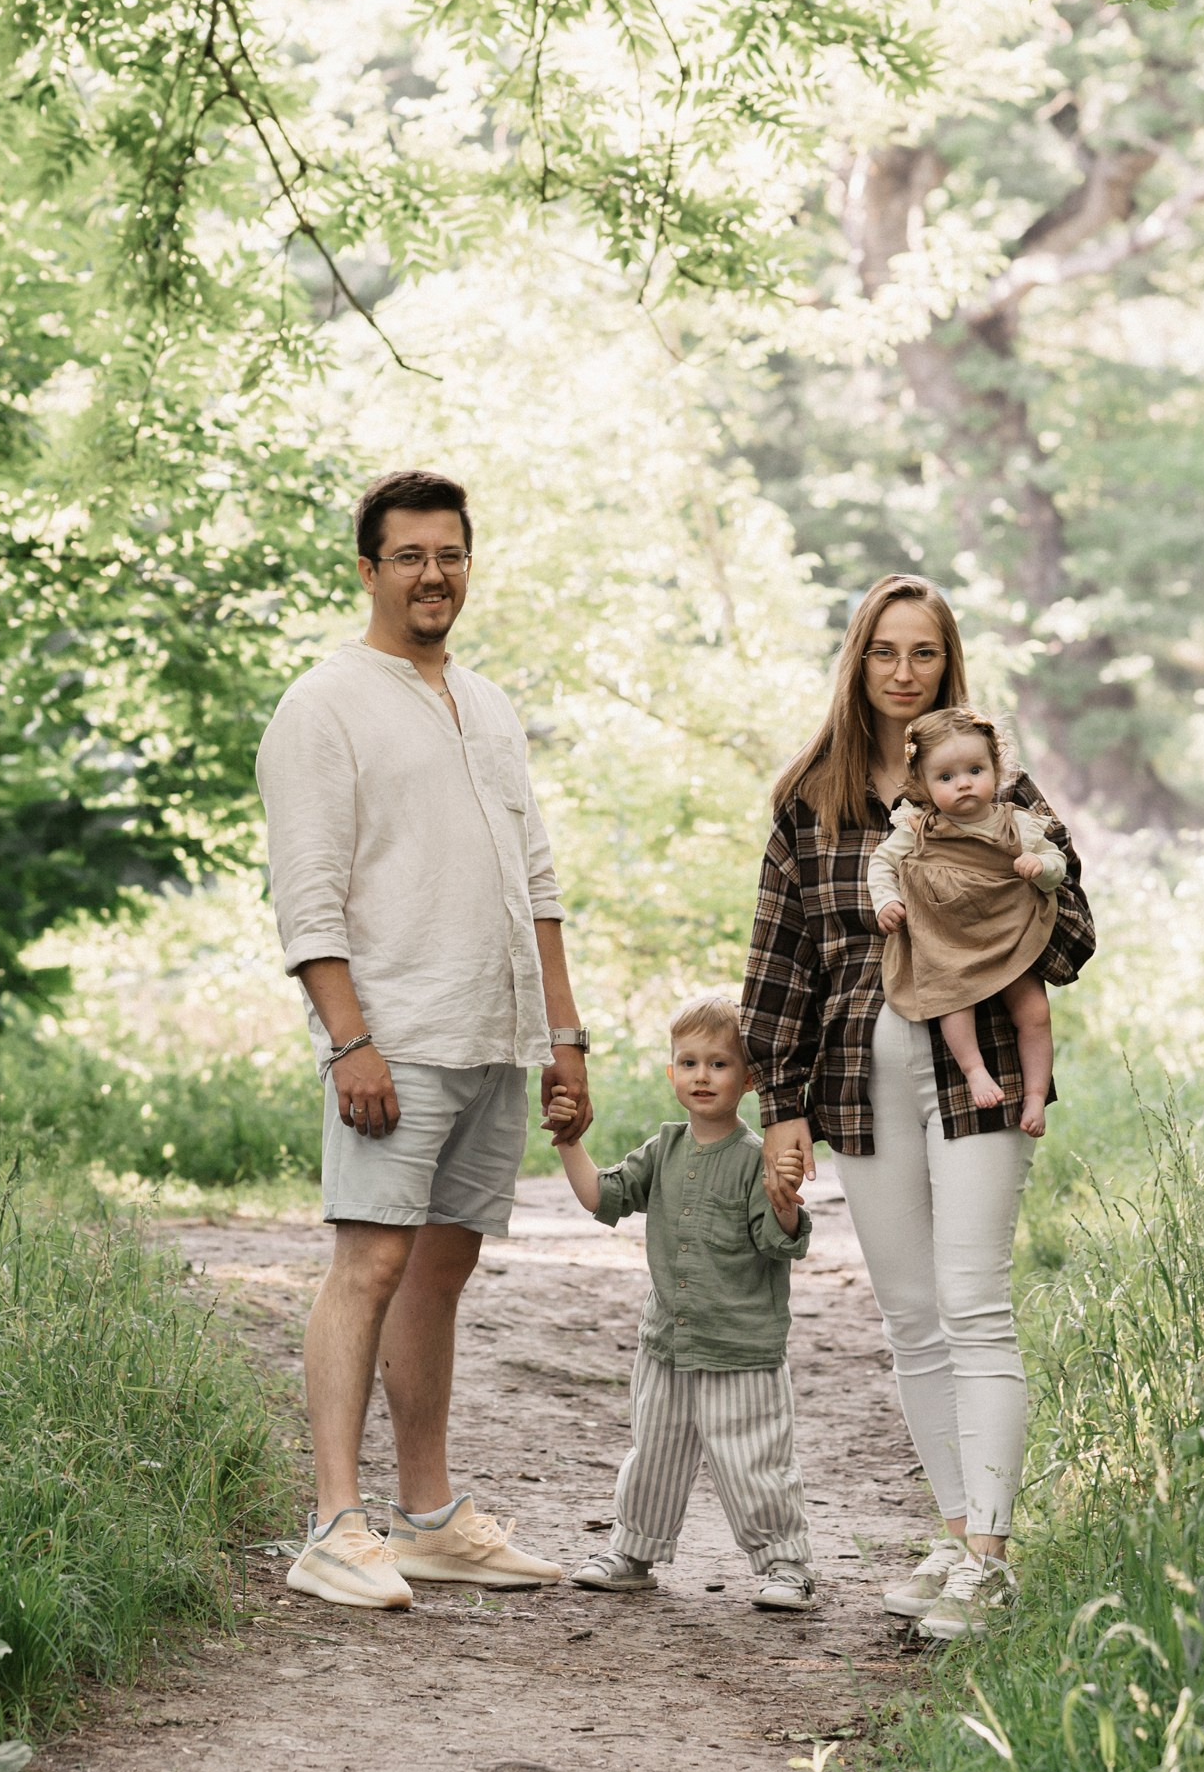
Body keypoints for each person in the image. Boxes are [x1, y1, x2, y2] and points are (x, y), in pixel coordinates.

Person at [256, 469, 589, 1612]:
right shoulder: (325, 701)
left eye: (448, 553)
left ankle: (430, 1516)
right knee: (372, 1262)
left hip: (492, 1031)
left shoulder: (487, 703)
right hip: (391, 1032)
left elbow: (534, 879)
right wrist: (348, 1038)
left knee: (441, 1270)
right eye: (408, 555)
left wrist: (563, 1035)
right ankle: (334, 1521)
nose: (432, 574)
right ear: (368, 568)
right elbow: (306, 889)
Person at [741, 577, 1093, 1641]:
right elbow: (779, 956)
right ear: (858, 660)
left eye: (925, 653)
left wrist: (1002, 898)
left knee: (973, 1298)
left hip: (975, 1058)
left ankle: (990, 1554)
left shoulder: (993, 784)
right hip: (859, 1067)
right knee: (909, 1317)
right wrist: (781, 1102)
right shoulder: (810, 797)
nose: (904, 671)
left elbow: (1072, 933)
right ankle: (950, 1534)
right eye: (886, 652)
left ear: (949, 664)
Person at [558, 994, 817, 1610]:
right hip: (667, 1344)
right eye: (689, 1062)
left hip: (742, 1348)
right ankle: (632, 1552)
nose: (703, 1076)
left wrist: (783, 1202)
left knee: (755, 1460)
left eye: (720, 1064)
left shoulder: (757, 1159)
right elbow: (602, 1198)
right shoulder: (663, 1150)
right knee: (655, 1453)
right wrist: (570, 1141)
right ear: (671, 1072)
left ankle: (786, 1565)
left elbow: (779, 1243)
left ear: (749, 1078)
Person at [867, 707, 1066, 1139]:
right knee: (952, 1000)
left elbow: (1058, 862)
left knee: (1034, 1011)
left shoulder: (1017, 822)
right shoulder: (918, 827)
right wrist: (886, 900)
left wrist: (1041, 865)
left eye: (975, 770)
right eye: (945, 777)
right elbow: (882, 862)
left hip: (1006, 938)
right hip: (949, 944)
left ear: (997, 769)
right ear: (922, 784)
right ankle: (974, 1071)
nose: (963, 783)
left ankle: (1034, 1094)